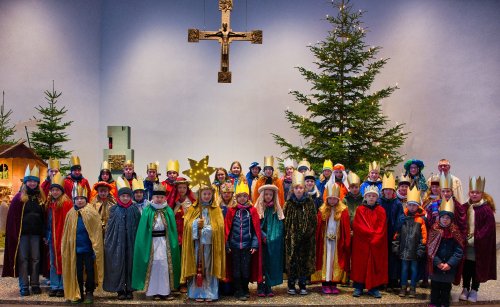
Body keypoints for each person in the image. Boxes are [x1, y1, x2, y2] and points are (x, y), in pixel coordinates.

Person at [3, 165, 46, 296]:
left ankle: (35, 284)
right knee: (23, 259)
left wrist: (44, 234)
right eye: (29, 181)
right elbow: (12, 220)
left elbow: (44, 217)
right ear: (25, 182)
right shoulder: (18, 199)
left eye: (34, 181)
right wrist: (14, 235)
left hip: (36, 235)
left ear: (37, 183)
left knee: (36, 259)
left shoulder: (41, 199)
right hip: (22, 235)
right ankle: (24, 286)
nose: (32, 183)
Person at [132, 183, 180, 300]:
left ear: (165, 198)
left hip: (164, 242)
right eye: (157, 197)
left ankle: (165, 292)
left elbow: (172, 229)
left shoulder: (168, 210)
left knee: (164, 265)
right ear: (152, 198)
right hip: (151, 242)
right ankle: (154, 292)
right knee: (154, 265)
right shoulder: (148, 210)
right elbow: (143, 230)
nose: (159, 199)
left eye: (161, 197)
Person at [181, 185, 226, 302]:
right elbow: (187, 225)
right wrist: (196, 224)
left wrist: (206, 229)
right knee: (197, 266)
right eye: (204, 194)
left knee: (209, 266)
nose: (206, 196)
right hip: (196, 245)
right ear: (200, 195)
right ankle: (197, 293)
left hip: (210, 246)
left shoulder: (216, 209)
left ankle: (210, 293)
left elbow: (219, 227)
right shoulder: (193, 208)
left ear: (212, 195)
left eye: (209, 194)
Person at [61, 186, 104, 304]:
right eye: (77, 198)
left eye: (82, 198)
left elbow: (96, 231)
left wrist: (95, 248)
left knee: (90, 271)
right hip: (75, 249)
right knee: (77, 271)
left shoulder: (92, 212)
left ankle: (89, 292)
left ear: (86, 199)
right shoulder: (71, 213)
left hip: (89, 249)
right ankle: (78, 292)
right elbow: (67, 233)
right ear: (74, 200)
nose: (79, 201)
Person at [459, 176, 496, 303]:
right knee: (466, 267)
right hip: (465, 244)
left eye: (477, 192)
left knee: (476, 267)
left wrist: (476, 238)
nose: (474, 194)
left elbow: (489, 228)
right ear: (469, 193)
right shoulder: (465, 207)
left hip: (478, 246)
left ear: (482, 193)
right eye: (472, 192)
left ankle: (474, 290)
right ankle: (465, 288)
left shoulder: (486, 210)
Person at [103, 177, 141, 300]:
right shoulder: (114, 209)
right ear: (119, 197)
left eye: (127, 196)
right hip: (117, 241)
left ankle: (129, 289)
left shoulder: (135, 209)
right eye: (123, 196)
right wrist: (109, 243)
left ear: (131, 197)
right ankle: (119, 289)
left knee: (131, 264)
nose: (125, 198)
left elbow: (139, 226)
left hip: (131, 241)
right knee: (117, 264)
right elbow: (110, 227)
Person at [225, 183, 262, 301]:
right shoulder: (231, 211)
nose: (242, 198)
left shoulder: (252, 211)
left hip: (247, 246)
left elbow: (256, 230)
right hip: (234, 246)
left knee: (246, 269)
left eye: (245, 196)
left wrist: (255, 244)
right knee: (236, 270)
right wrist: (227, 244)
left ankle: (245, 289)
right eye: (240, 196)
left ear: (248, 197)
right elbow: (227, 229)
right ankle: (238, 290)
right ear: (236, 197)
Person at [314, 183, 351, 295]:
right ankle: (325, 284)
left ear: (338, 199)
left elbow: (346, 227)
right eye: (330, 198)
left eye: (335, 199)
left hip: (337, 241)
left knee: (334, 262)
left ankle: (333, 284)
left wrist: (345, 241)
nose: (332, 201)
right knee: (326, 261)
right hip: (325, 241)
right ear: (327, 198)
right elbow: (319, 226)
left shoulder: (343, 210)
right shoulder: (322, 210)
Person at [284, 171, 317, 295]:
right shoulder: (288, 204)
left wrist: (307, 234)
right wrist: (289, 235)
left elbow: (314, 220)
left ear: (304, 189)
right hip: (291, 238)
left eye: (301, 188)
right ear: (293, 189)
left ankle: (302, 284)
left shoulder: (309, 203)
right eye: (296, 188)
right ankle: (291, 284)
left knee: (303, 261)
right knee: (292, 261)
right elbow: (285, 221)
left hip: (306, 239)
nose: (299, 190)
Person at [351, 185, 387, 298]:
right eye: (369, 196)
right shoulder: (360, 209)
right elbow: (358, 225)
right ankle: (359, 286)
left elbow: (382, 226)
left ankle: (373, 287)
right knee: (360, 264)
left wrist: (375, 238)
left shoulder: (381, 210)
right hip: (362, 243)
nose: (371, 198)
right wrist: (370, 235)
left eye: (373, 196)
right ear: (365, 197)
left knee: (374, 264)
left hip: (376, 243)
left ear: (377, 198)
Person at [427, 198, 464, 307]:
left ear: (451, 219)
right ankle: (434, 303)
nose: (445, 220)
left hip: (449, 268)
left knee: (446, 288)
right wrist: (437, 262)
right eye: (443, 217)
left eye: (448, 218)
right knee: (435, 286)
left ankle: (444, 303)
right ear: (439, 217)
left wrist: (450, 264)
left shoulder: (455, 231)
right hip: (436, 266)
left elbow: (459, 250)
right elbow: (430, 248)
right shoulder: (434, 229)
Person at [392, 187, 427, 298]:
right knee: (404, 269)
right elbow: (397, 234)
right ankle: (403, 287)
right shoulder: (403, 218)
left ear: (418, 206)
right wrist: (396, 247)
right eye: (410, 205)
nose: (412, 207)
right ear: (407, 206)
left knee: (414, 270)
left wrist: (421, 249)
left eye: (414, 205)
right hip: (403, 250)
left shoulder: (421, 220)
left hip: (415, 252)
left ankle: (412, 288)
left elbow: (424, 237)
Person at [254, 184, 284, 297]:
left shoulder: (276, 209)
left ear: (273, 195)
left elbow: (279, 226)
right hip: (261, 241)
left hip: (272, 241)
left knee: (270, 263)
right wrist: (263, 236)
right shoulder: (259, 208)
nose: (268, 196)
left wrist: (272, 238)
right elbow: (256, 224)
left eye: (270, 194)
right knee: (261, 263)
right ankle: (260, 285)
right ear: (262, 195)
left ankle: (269, 285)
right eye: (266, 194)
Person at [45, 172, 73, 297]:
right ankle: (54, 285)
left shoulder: (67, 204)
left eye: (57, 190)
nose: (55, 192)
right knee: (53, 262)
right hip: (52, 238)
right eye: (53, 190)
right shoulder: (49, 203)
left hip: (63, 238)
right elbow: (47, 221)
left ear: (62, 191)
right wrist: (47, 235)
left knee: (64, 261)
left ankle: (62, 286)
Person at [378, 172, 404, 291]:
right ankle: (381, 280)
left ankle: (393, 280)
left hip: (393, 234)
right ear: (383, 191)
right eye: (386, 190)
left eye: (390, 190)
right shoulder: (379, 202)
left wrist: (397, 231)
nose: (388, 192)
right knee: (381, 257)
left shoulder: (397, 203)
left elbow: (400, 218)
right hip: (381, 234)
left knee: (393, 257)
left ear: (393, 191)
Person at [428, 172, 467, 238]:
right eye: (443, 191)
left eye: (448, 191)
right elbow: (429, 222)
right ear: (440, 192)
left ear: (452, 192)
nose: (445, 194)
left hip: (453, 236)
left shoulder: (458, 206)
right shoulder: (434, 204)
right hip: (437, 236)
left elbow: (462, 223)